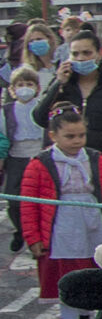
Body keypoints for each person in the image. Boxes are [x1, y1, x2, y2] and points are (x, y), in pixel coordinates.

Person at [19, 105, 102, 319]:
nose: (77, 141)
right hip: (60, 227)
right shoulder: (39, 164)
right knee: (67, 275)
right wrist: (33, 237)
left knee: (92, 271)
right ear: (53, 136)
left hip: (92, 223)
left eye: (81, 135)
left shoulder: (96, 159)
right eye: (70, 136)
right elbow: (28, 204)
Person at [33, 28, 102, 189]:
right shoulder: (64, 84)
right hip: (62, 162)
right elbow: (40, 117)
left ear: (98, 54)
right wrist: (58, 83)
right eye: (75, 54)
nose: (81, 58)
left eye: (86, 53)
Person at [5, 65, 46, 258]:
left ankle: (37, 236)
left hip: (39, 155)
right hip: (15, 157)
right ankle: (21, 231)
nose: (25, 88)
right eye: (20, 84)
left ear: (37, 87)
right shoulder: (6, 111)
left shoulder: (42, 106)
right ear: (12, 89)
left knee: (40, 198)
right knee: (13, 200)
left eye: (29, 84)